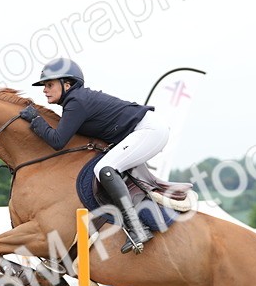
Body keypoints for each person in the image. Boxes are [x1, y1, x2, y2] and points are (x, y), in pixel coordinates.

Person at [19, 58, 169, 254]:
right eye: (44, 86)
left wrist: (36, 120)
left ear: (67, 84)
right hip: (144, 130)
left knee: (105, 169)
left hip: (149, 130)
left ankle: (138, 228)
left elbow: (57, 141)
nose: (44, 90)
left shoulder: (76, 102)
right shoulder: (75, 101)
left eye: (49, 84)